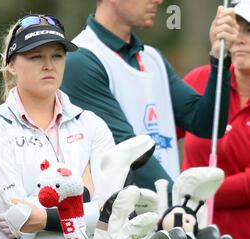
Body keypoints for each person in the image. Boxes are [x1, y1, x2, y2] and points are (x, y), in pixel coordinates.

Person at [0, 14, 115, 239]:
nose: (49, 64)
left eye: (57, 55)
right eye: (36, 56)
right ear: (11, 64)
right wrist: (81, 202)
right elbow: (20, 220)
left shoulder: (92, 125)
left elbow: (109, 214)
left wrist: (45, 217)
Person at [61, 0, 239, 195]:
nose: (158, 1)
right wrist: (177, 206)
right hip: (120, 221)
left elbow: (208, 125)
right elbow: (129, 152)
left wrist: (219, 58)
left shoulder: (152, 58)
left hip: (165, 219)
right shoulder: (80, 60)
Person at [181, 0, 250, 239]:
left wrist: (191, 191)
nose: (241, 37)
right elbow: (159, 141)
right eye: (236, 28)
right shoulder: (202, 80)